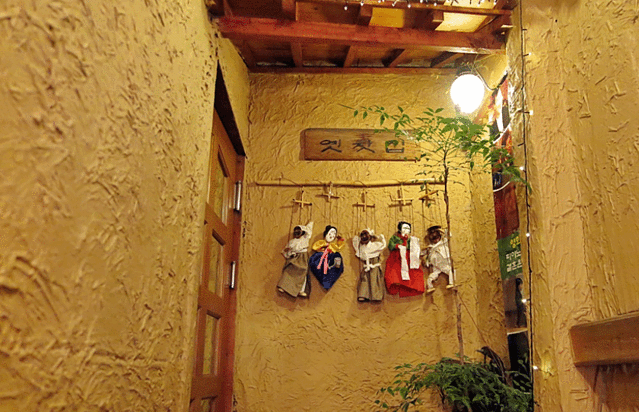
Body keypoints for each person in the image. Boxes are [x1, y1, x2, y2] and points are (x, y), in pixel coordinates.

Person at [384, 221, 424, 297]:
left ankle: (409, 286)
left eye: (408, 229)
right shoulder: (395, 238)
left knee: (412, 273)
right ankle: (396, 283)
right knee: (395, 272)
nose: (406, 230)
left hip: (408, 257)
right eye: (404, 228)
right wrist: (397, 246)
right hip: (397, 257)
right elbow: (391, 245)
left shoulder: (410, 240)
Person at [277, 222, 314, 297]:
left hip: (303, 257)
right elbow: (287, 250)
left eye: (299, 231)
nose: (297, 233)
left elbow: (309, 230)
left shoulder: (305, 239)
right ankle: (283, 286)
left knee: (303, 272)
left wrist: (310, 222)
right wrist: (290, 254)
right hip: (295, 257)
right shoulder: (292, 241)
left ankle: (301, 290)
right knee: (288, 270)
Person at [352, 229, 386, 302]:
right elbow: (355, 241)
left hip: (374, 266)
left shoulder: (375, 245)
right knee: (365, 280)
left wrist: (380, 238)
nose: (364, 237)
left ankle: (376, 296)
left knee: (374, 280)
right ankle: (363, 295)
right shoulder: (362, 247)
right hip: (366, 266)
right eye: (362, 235)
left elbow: (383, 245)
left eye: (366, 235)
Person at [309, 225, 345, 290]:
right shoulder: (321, 242)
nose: (332, 236)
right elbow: (315, 247)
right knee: (318, 260)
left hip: (330, 258)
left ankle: (336, 266)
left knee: (337, 255)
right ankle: (322, 275)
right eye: (330, 233)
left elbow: (339, 247)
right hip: (321, 257)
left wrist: (340, 240)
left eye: (334, 235)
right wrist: (324, 246)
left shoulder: (333, 245)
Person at [423, 225, 455, 293]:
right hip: (436, 264)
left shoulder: (443, 242)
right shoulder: (430, 247)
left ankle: (451, 282)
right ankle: (430, 286)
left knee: (450, 271)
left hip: (443, 262)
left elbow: (449, 235)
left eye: (436, 236)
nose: (435, 239)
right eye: (433, 237)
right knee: (432, 276)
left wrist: (442, 230)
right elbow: (423, 253)